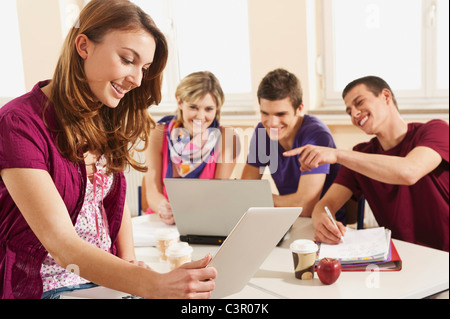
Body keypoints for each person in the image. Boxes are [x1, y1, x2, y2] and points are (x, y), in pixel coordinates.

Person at [0, 0, 216, 299]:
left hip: (103, 283)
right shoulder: (18, 123)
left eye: (145, 68)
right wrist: (152, 284)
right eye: (128, 59)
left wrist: (129, 265)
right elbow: (62, 245)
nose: (138, 79)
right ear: (84, 46)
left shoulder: (103, 117)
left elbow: (111, 202)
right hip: (45, 286)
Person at [284, 76, 449, 252]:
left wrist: (337, 154)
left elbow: (409, 172)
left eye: (360, 102)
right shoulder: (360, 154)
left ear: (386, 97)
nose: (354, 114)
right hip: (404, 254)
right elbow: (325, 205)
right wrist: (323, 222)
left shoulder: (436, 130)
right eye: (349, 112)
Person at [241, 69, 345, 220]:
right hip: (286, 218)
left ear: (299, 109)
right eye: (265, 113)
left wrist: (260, 199)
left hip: (322, 224)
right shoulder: (263, 131)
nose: (272, 123)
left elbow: (305, 207)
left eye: (281, 114)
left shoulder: (317, 136)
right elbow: (246, 188)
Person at [143, 71, 240, 225]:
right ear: (180, 102)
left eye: (209, 109)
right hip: (162, 222)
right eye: (194, 107)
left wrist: (185, 213)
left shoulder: (228, 138)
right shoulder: (158, 133)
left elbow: (217, 195)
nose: (201, 116)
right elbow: (152, 192)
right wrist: (164, 208)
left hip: (203, 220)